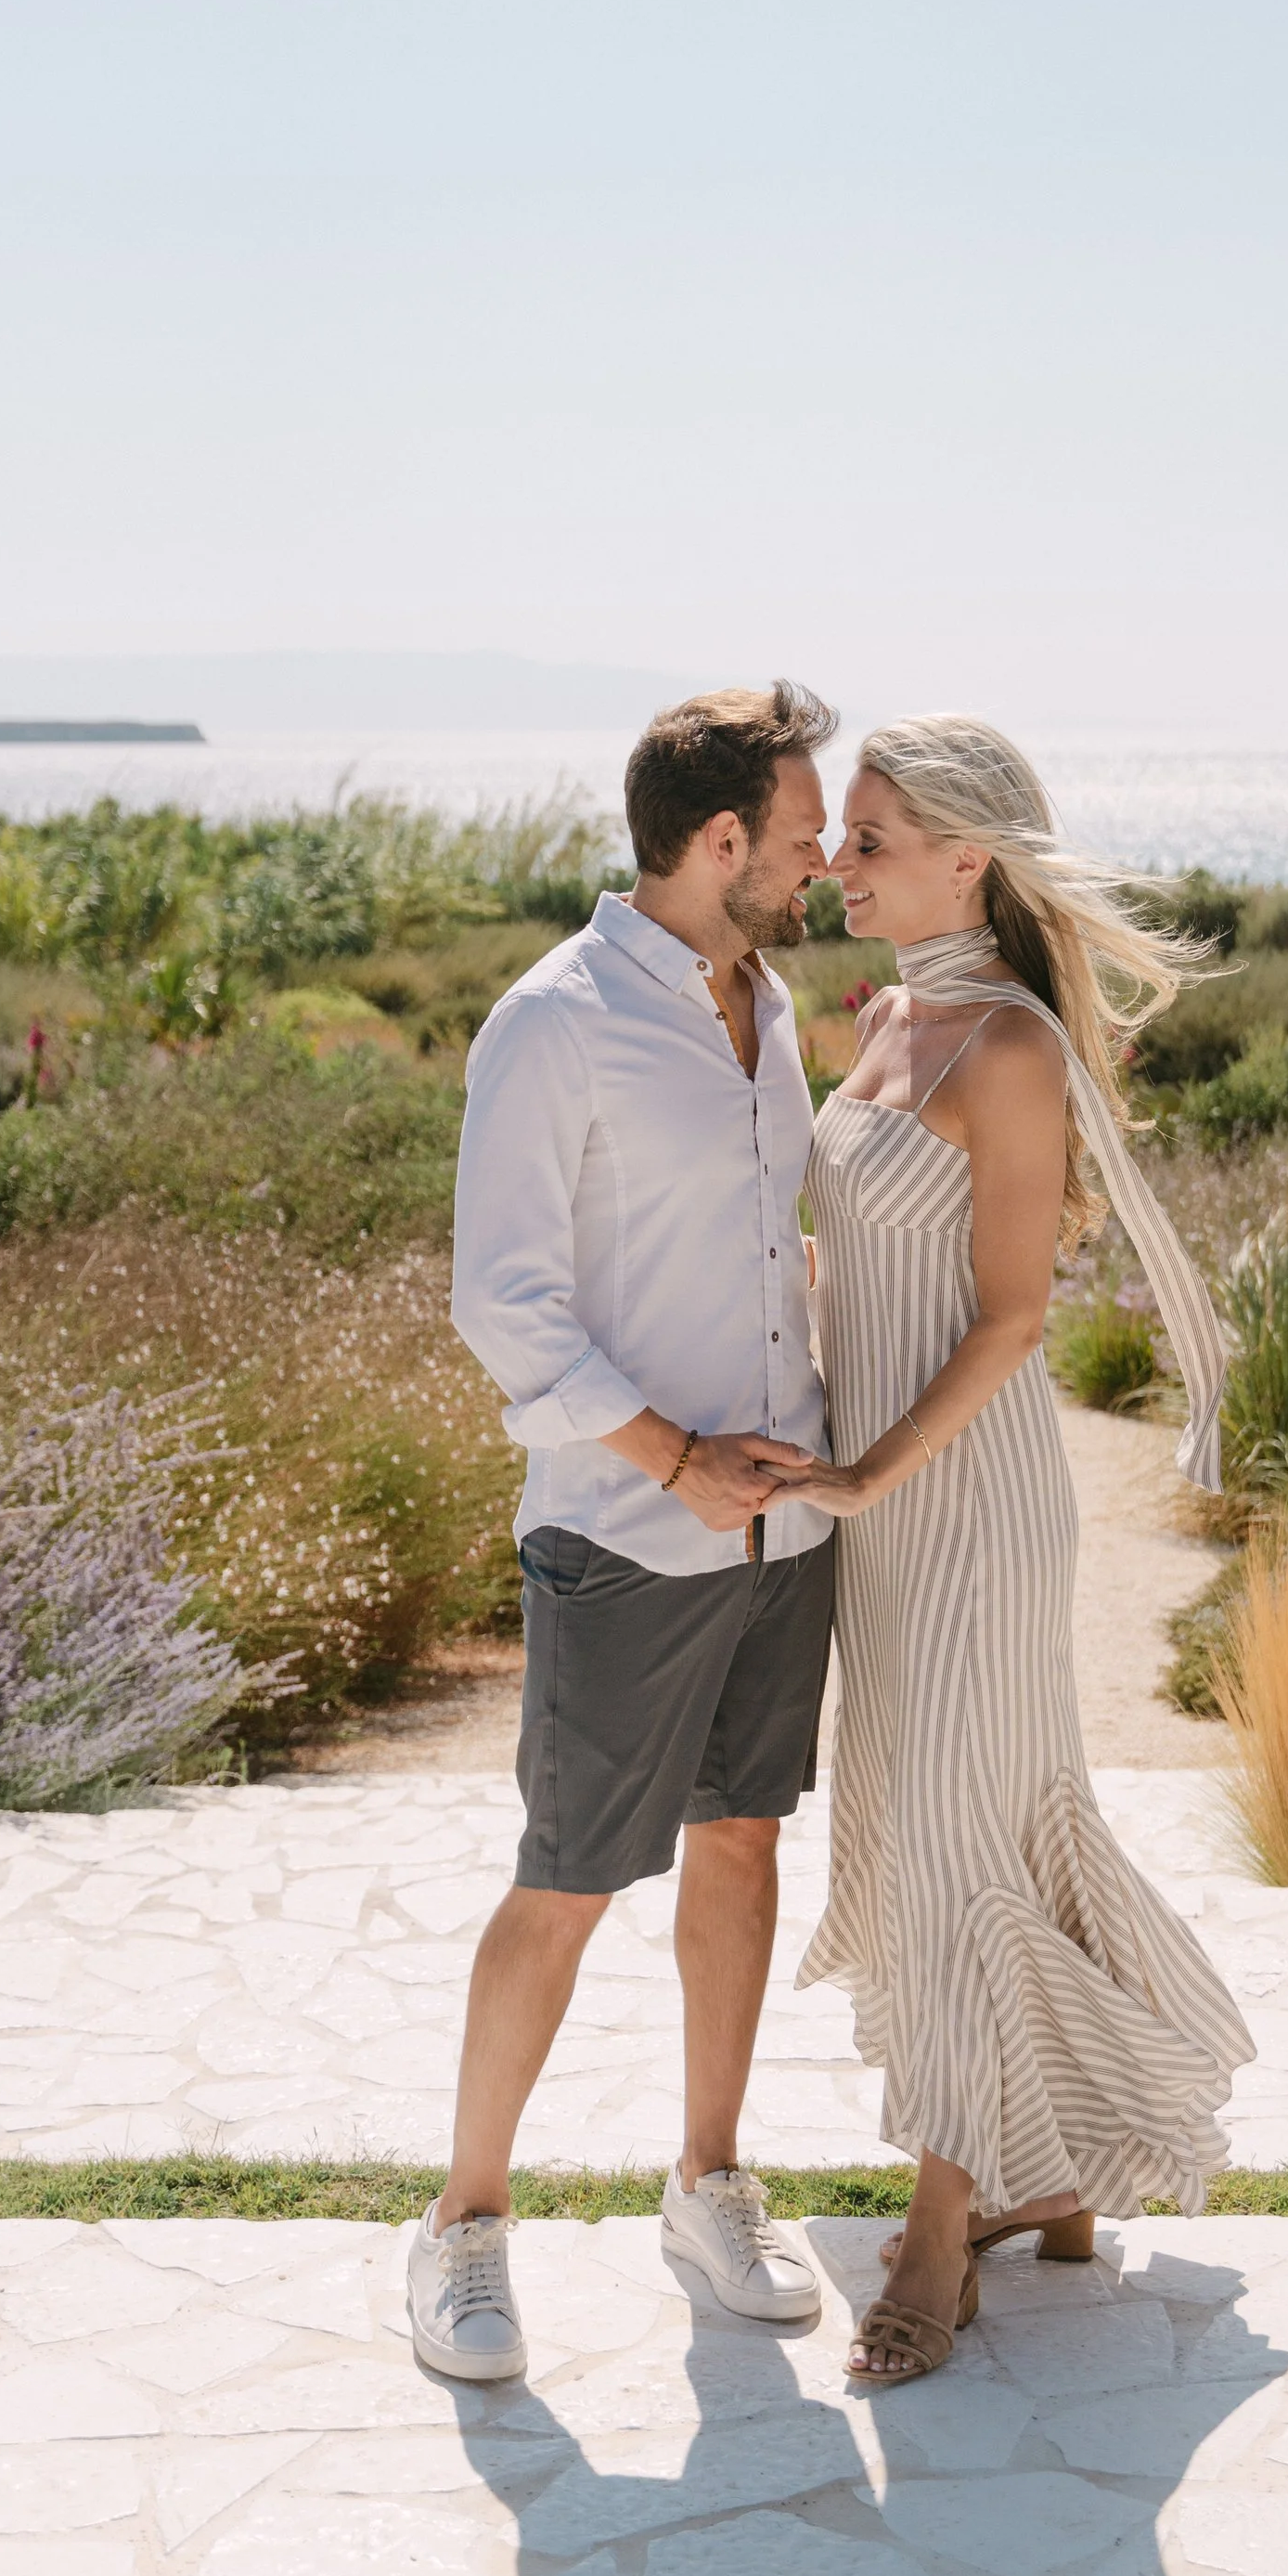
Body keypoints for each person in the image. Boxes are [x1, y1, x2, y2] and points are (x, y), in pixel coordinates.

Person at [774, 715, 1254, 2384]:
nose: (838, 862)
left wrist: (860, 1475)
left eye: (874, 837)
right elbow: (856, 1273)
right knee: (918, 1825)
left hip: (967, 1507)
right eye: (840, 835)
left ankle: (938, 2231)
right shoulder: (891, 1018)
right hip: (878, 1508)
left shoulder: (1009, 1049)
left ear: (969, 858)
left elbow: (1011, 1320)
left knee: (975, 1839)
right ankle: (1039, 2172)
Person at [410, 682, 842, 2382]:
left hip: (781, 1537)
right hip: (625, 1533)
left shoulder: (772, 1003)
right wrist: (674, 1460)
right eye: (801, 838)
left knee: (744, 1844)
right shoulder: (556, 1020)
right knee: (569, 1880)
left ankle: (710, 2182)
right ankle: (462, 2226)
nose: (817, 865)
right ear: (718, 841)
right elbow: (499, 1301)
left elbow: (763, 1244)